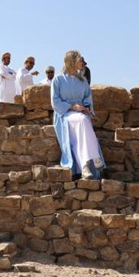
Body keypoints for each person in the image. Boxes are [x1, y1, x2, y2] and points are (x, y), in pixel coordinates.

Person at [51, 50, 106, 180]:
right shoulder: (58, 80)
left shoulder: (83, 81)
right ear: (72, 61)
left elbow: (88, 99)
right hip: (64, 114)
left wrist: (86, 108)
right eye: (80, 60)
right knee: (83, 121)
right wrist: (72, 106)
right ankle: (94, 157)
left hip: (80, 113)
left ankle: (85, 166)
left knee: (83, 120)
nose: (83, 63)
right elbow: (55, 101)